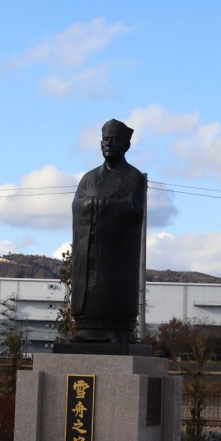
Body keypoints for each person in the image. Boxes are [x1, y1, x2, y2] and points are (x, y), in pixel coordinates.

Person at [70, 119, 146, 342]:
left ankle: (118, 329)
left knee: (114, 287)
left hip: (117, 253)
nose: (108, 144)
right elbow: (77, 205)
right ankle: (85, 330)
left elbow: (132, 208)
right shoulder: (89, 178)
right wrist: (92, 205)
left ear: (126, 145)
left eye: (114, 140)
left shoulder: (134, 178)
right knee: (87, 288)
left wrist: (95, 204)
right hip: (89, 250)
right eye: (105, 140)